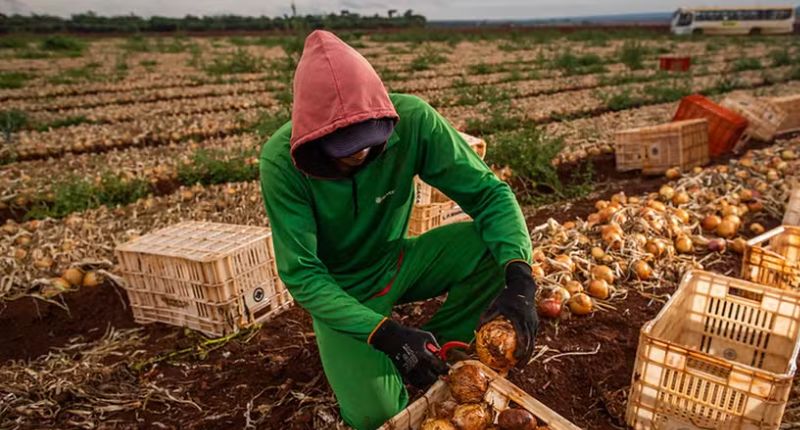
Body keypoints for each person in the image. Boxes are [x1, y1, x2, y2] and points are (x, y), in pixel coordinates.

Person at [259, 30, 538, 430]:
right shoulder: (281, 162)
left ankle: (439, 351)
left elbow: (489, 195)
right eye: (344, 150)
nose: (358, 153)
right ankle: (395, 347)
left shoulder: (415, 120)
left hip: (397, 260)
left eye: (368, 143)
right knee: (379, 415)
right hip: (342, 293)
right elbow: (303, 273)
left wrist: (520, 278)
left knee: (492, 247)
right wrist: (384, 333)